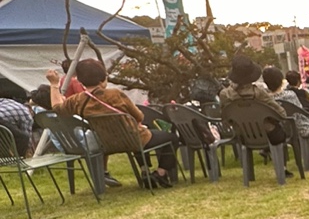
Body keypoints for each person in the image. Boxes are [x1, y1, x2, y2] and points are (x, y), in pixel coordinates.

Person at [46, 58, 177, 186]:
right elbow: (139, 116)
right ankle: (160, 173)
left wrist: (54, 85)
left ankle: (145, 170)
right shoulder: (115, 94)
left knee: (136, 137)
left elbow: (57, 108)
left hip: (106, 144)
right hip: (133, 140)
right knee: (170, 138)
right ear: (103, 78)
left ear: (80, 80)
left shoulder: (77, 100)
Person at [264, 65, 309, 166]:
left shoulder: (267, 99)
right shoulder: (290, 95)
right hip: (301, 127)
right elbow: (300, 111)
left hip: (281, 131)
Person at [219, 55, 290, 149]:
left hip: (242, 136)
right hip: (269, 134)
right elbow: (281, 113)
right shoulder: (259, 93)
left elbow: (225, 117)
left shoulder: (225, 95)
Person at [0, 78, 34, 157]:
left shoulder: (6, 104)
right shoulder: (23, 112)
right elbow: (26, 139)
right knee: (23, 138)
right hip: (12, 157)